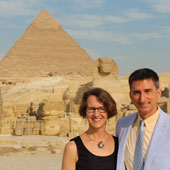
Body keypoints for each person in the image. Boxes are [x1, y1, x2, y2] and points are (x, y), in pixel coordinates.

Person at [116, 68, 170, 170]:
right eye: (137, 93)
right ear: (130, 96)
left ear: (158, 93)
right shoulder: (122, 125)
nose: (142, 99)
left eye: (147, 91)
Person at [62, 87, 118, 170]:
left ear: (108, 111)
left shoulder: (120, 144)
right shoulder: (73, 148)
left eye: (101, 108)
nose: (96, 114)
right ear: (85, 111)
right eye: (91, 109)